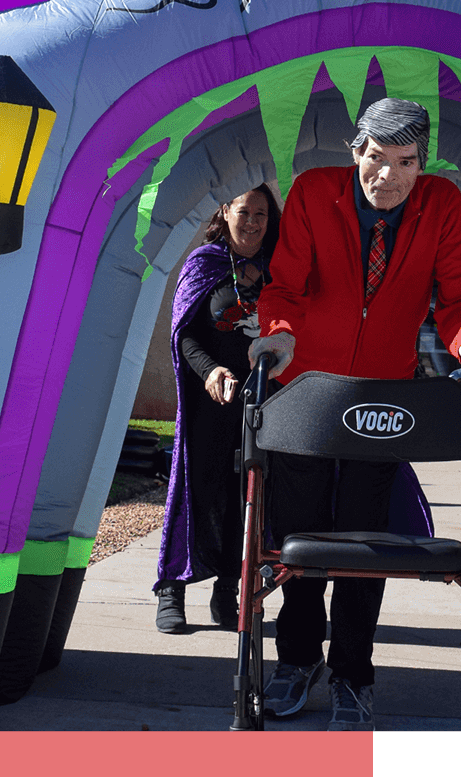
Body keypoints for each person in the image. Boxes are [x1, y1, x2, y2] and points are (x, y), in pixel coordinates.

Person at [247, 98, 461, 730]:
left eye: (403, 162)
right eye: (373, 157)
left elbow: (458, 297)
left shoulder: (441, 206)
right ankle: (297, 659)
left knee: (366, 542)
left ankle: (354, 674)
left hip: (384, 400)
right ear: (353, 150)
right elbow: (284, 287)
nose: (385, 174)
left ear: (422, 165)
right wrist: (277, 335)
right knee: (300, 540)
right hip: (306, 393)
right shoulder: (313, 193)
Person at [154, 185, 280, 633]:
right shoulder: (203, 263)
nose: (252, 222)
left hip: (260, 406)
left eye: (261, 214)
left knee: (244, 499)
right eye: (244, 211)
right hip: (210, 402)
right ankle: (172, 587)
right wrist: (210, 372)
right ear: (225, 212)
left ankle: (227, 590)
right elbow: (184, 334)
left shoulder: (278, 269)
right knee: (196, 491)